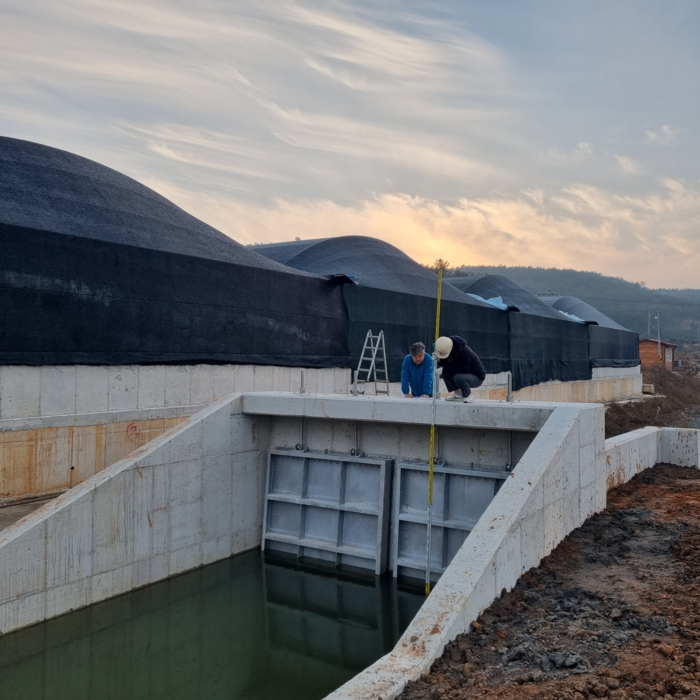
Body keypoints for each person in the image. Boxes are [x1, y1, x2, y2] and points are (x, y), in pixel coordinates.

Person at [434, 336, 485, 403]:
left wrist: (444, 370)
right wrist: (439, 360)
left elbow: (464, 369)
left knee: (458, 377)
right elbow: (448, 365)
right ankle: (458, 394)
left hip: (477, 377)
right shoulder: (452, 350)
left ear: (451, 349)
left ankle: (468, 396)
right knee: (445, 372)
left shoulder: (464, 352)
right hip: (464, 373)